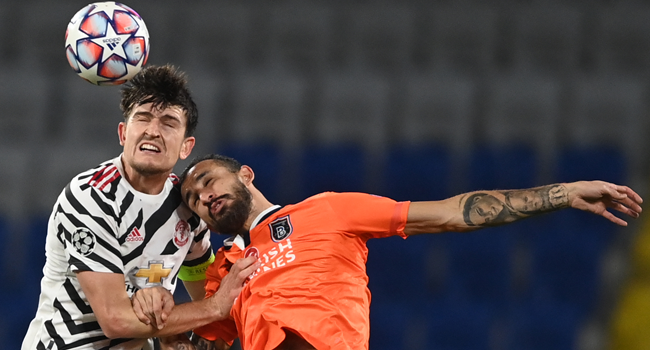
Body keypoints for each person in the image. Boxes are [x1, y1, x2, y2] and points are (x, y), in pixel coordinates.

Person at [137, 153, 643, 350]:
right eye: (192, 199)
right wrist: (156, 309)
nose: (201, 194)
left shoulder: (328, 210)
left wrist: (562, 193)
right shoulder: (224, 275)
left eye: (206, 179)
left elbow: (449, 213)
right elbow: (201, 347)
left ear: (245, 174)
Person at [21, 66, 258, 350]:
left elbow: (205, 297)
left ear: (186, 147)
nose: (152, 131)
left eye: (168, 123)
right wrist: (215, 307)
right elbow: (116, 321)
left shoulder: (187, 207)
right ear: (123, 133)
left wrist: (180, 338)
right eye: (142, 118)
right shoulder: (92, 197)